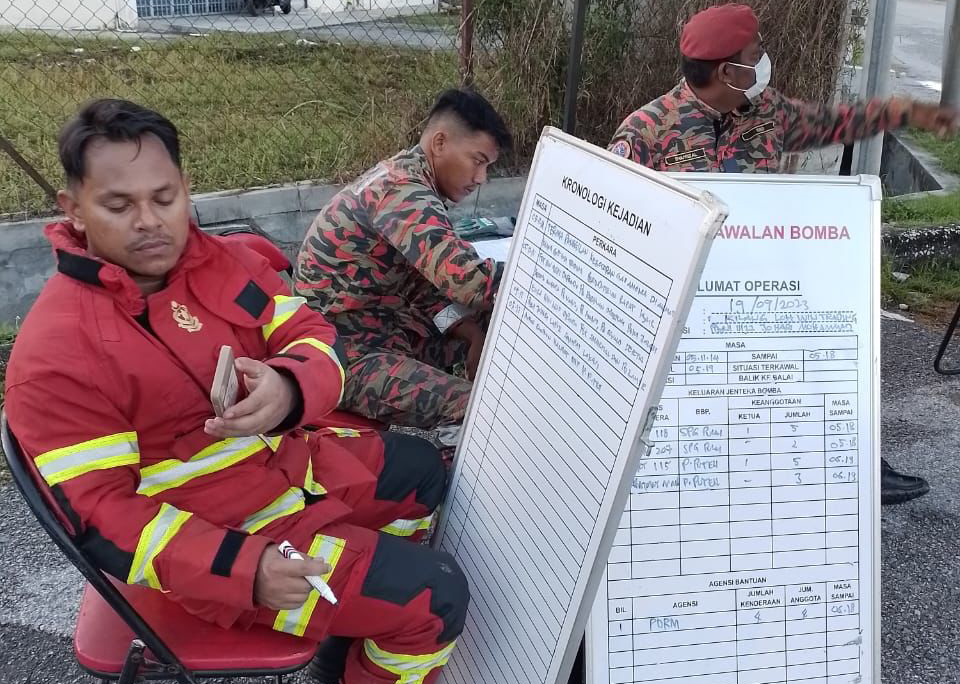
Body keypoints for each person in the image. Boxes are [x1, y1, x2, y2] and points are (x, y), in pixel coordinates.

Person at [3, 99, 468, 684]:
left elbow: (311, 333)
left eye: (164, 198)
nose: (148, 221)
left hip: (286, 469)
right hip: (220, 544)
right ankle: (384, 625)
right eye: (119, 205)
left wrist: (290, 385)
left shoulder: (219, 263)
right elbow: (103, 518)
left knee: (422, 471)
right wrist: (245, 570)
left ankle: (349, 638)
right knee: (436, 600)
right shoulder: (57, 353)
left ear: (184, 188)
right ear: (73, 209)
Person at [607, 2, 938, 505]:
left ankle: (859, 469)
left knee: (822, 365)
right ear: (728, 71)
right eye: (755, 51)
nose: (764, 58)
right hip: (686, 304)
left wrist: (904, 111)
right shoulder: (645, 134)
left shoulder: (768, 113)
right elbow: (618, 226)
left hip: (762, 289)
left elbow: (834, 123)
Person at [294, 88, 511, 431]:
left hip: (379, 325)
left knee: (488, 323)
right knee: (479, 408)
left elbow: (421, 287)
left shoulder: (407, 176)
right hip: (342, 354)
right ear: (440, 143)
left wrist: (471, 333)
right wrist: (543, 277)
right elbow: (468, 281)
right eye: (478, 161)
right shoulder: (403, 191)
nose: (481, 178)